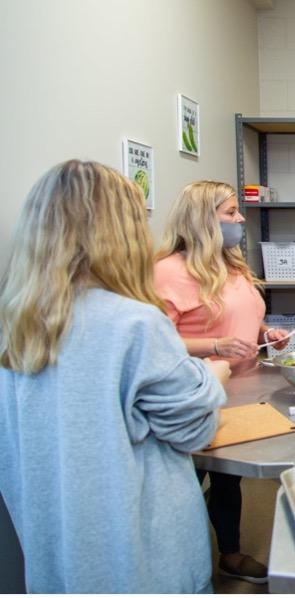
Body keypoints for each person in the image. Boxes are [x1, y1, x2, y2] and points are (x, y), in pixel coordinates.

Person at [0, 160, 228, 593]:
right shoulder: (134, 323)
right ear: (119, 233)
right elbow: (193, 429)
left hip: (60, 552)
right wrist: (211, 376)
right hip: (143, 555)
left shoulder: (16, 325)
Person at [155, 180, 289, 584]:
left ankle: (229, 553)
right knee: (184, 489)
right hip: (192, 399)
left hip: (239, 394)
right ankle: (174, 571)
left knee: (229, 480)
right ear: (201, 218)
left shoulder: (231, 264)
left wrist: (264, 331)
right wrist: (213, 344)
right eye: (230, 212)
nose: (239, 219)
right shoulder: (167, 273)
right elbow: (154, 344)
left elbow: (239, 314)